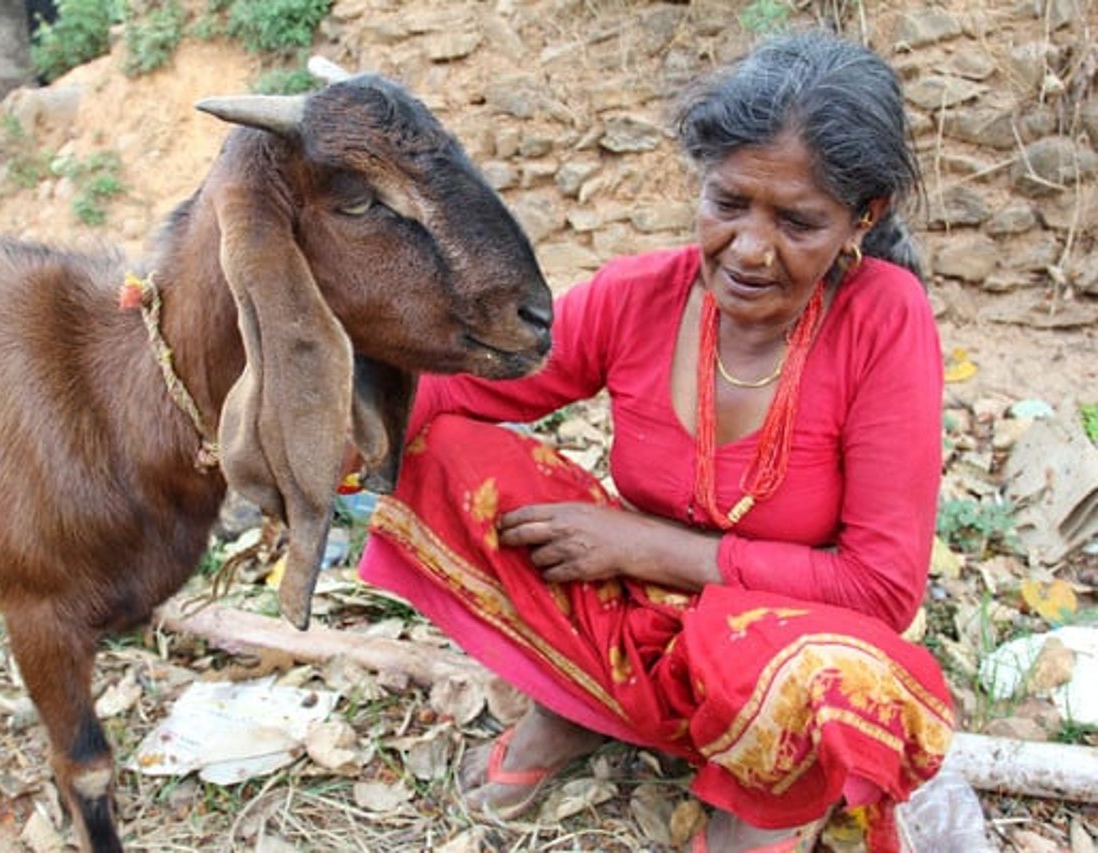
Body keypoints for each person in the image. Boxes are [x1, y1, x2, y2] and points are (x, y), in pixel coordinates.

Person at [356, 30, 954, 852]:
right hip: (636, 618)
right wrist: (323, 413)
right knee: (449, 448)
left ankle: (763, 792)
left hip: (779, 643)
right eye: (728, 202)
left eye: (798, 221)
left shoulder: (884, 319)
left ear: (864, 216)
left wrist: (643, 544)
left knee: (813, 674)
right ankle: (576, 705)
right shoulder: (640, 296)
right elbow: (467, 386)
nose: (749, 249)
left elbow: (883, 587)